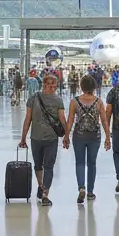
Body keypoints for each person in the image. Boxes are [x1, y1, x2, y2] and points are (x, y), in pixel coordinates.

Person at [18, 73, 67, 206]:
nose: (52, 87)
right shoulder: (33, 99)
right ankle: (41, 185)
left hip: (51, 138)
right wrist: (23, 138)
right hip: (36, 138)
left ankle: (45, 193)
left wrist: (67, 135)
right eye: (50, 85)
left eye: (54, 85)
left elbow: (62, 119)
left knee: (49, 166)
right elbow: (28, 119)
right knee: (38, 165)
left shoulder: (58, 100)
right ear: (44, 85)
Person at [65, 74, 110, 204]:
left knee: (80, 162)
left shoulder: (74, 101)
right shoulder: (98, 102)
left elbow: (70, 121)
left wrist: (66, 136)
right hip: (94, 136)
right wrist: (108, 136)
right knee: (92, 163)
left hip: (79, 135)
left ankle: (81, 188)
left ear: (81, 86)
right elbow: (104, 121)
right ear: (94, 87)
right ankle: (90, 192)